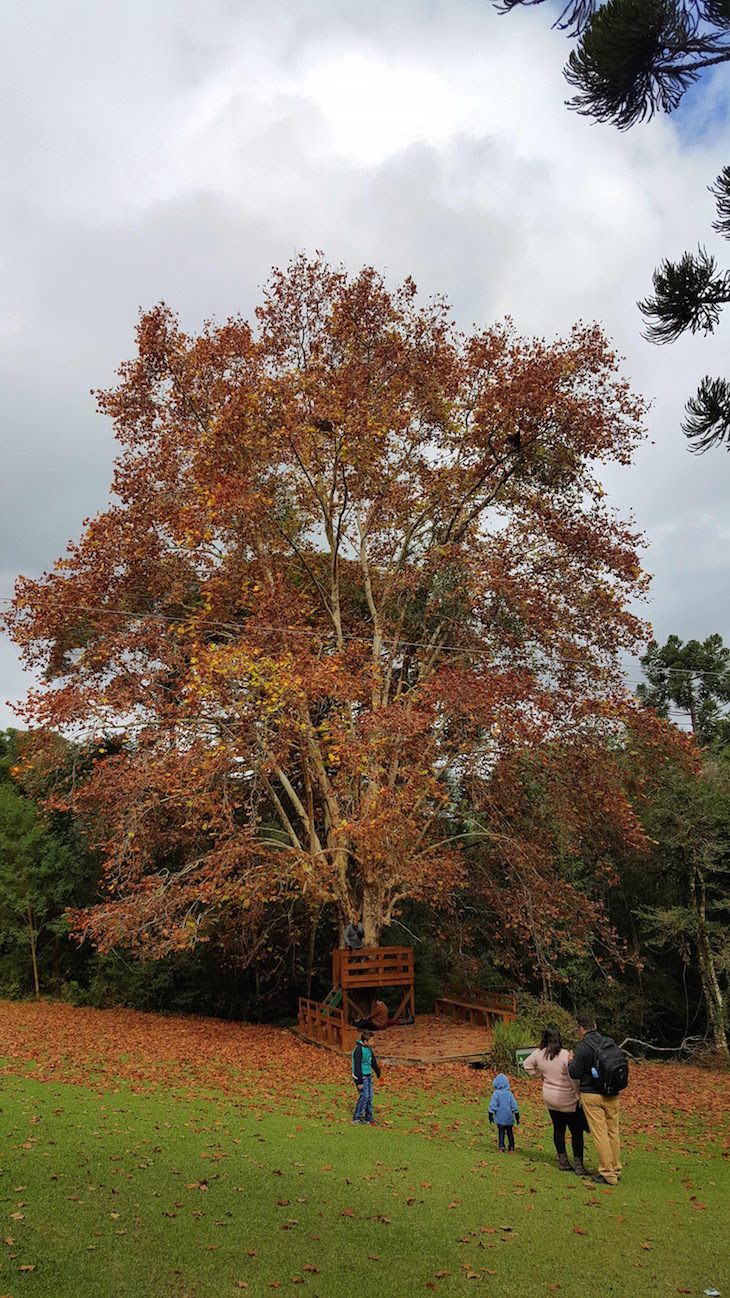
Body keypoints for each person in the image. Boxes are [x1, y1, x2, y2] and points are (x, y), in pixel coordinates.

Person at [522, 1024, 587, 1176]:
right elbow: (573, 1078)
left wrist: (540, 1075)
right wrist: (579, 1095)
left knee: (558, 1129)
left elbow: (526, 1065)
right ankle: (578, 1165)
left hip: (550, 1098)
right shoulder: (566, 1055)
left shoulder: (539, 1054)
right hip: (568, 1099)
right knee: (576, 1132)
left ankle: (563, 1160)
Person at [568, 1010, 622, 1186]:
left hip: (591, 1094)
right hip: (612, 1093)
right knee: (613, 1132)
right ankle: (616, 1168)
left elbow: (574, 1072)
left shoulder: (582, 1047)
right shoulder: (609, 1042)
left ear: (581, 1029)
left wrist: (570, 1061)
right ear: (595, 1026)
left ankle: (607, 1174)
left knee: (600, 1134)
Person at [351, 1029, 381, 1125]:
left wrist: (378, 1074)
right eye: (371, 1041)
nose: (373, 1042)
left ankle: (368, 1117)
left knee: (370, 1096)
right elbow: (357, 1066)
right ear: (365, 1042)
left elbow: (373, 1061)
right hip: (361, 1077)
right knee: (364, 1096)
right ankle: (356, 1118)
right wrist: (359, 1082)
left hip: (368, 1075)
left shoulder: (368, 1049)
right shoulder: (358, 1051)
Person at [488, 1072, 520, 1153]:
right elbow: (514, 1105)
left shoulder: (496, 1094)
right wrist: (517, 1115)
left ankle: (501, 1146)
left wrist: (490, 1114)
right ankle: (511, 1147)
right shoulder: (509, 1094)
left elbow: (493, 1105)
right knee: (510, 1133)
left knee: (501, 1133)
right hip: (509, 1118)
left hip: (500, 1118)